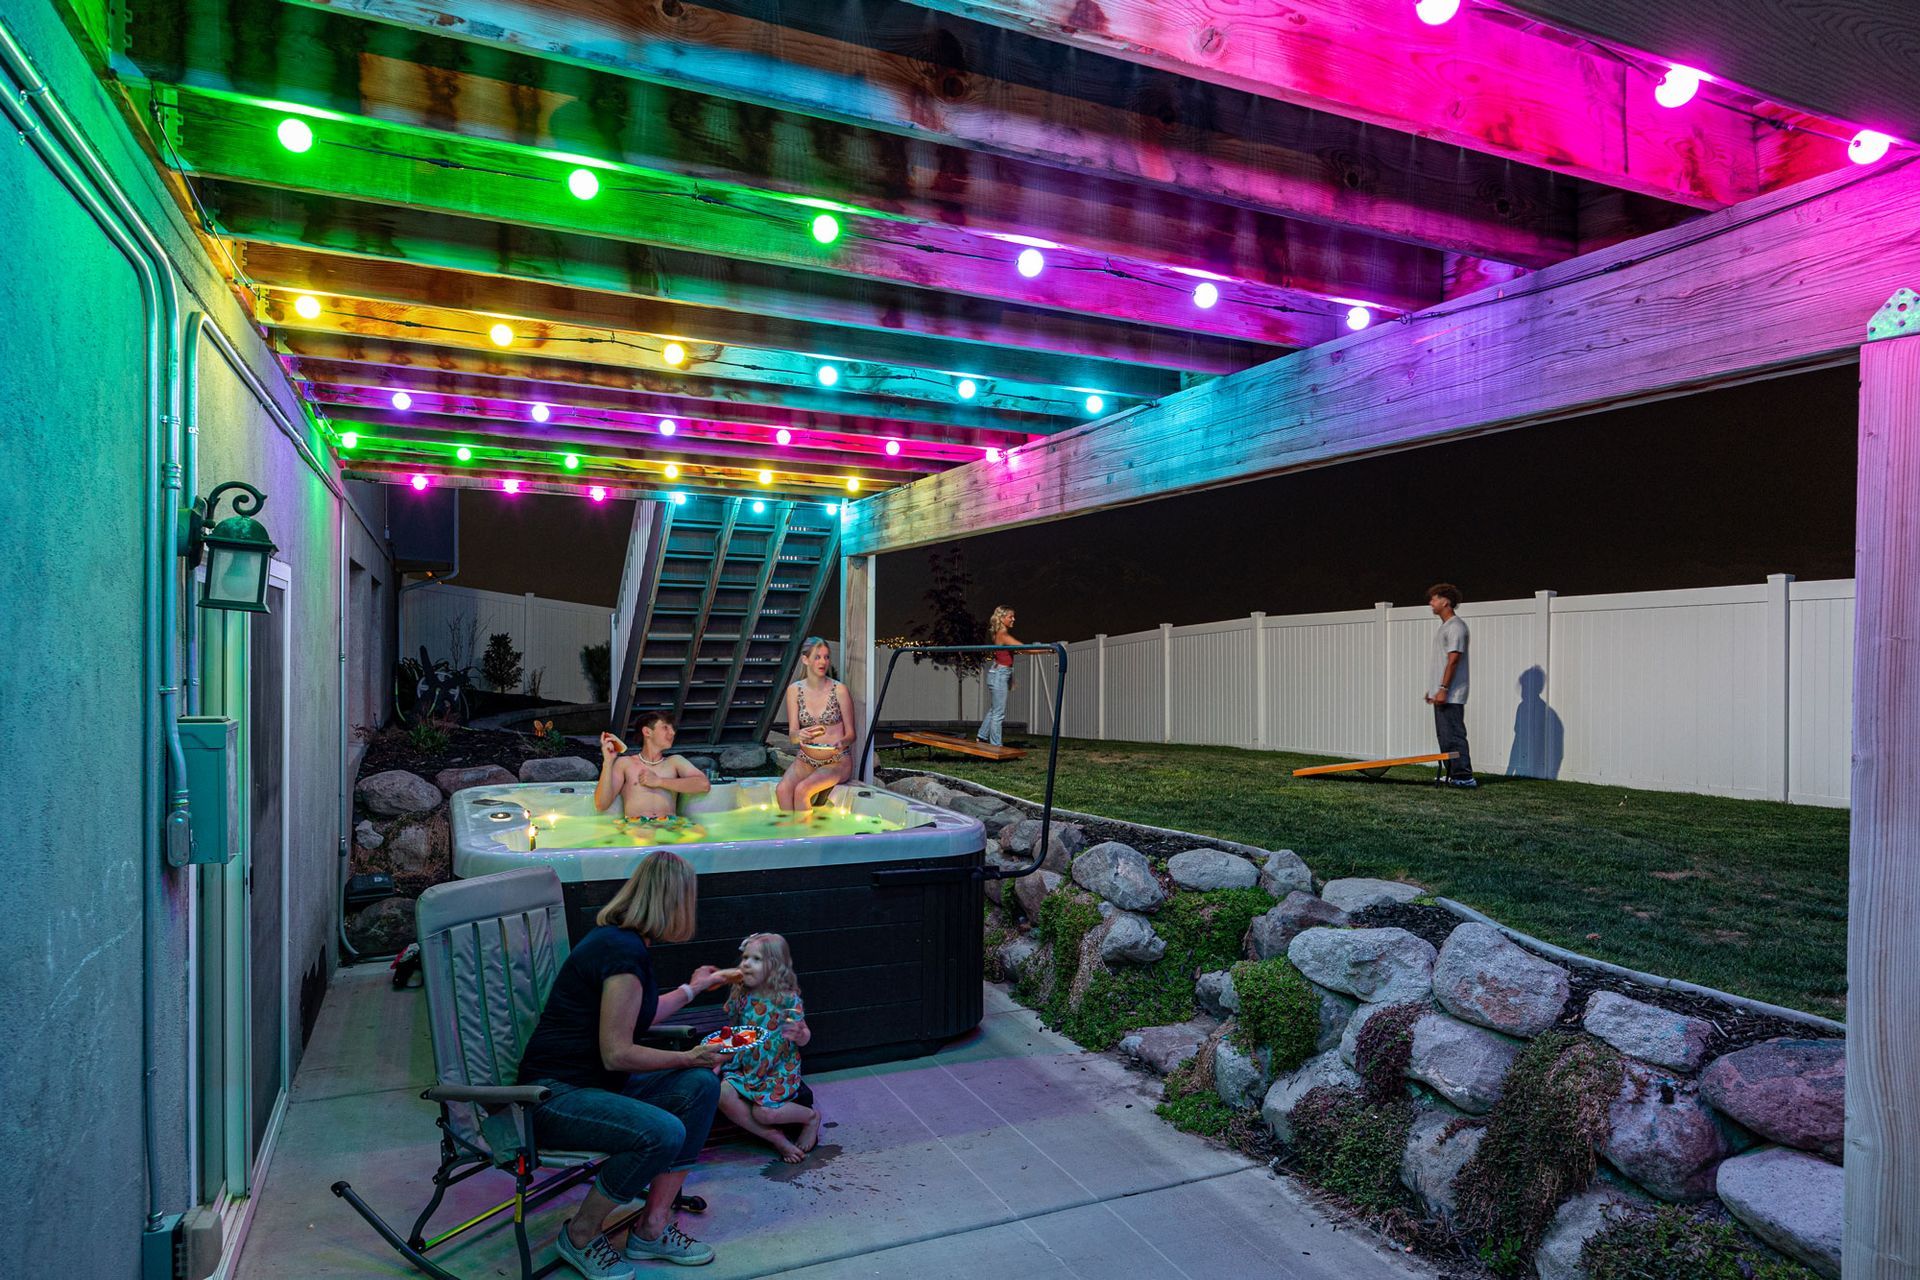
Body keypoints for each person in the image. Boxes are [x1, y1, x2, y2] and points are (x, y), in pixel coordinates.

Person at [516, 851, 729, 1275]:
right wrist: (688, 1056)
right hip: (552, 1096)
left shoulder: (623, 943)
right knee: (662, 1131)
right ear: (675, 902)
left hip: (594, 1087)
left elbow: (639, 1016)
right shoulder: (622, 953)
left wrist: (693, 988)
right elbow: (617, 1053)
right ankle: (579, 1234)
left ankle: (651, 1229)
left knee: (702, 1086)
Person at [714, 933, 820, 1163]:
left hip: (778, 1070)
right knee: (721, 1093)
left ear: (774, 966)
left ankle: (811, 1118)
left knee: (764, 1112)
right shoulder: (741, 995)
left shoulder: (787, 999)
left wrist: (801, 1035)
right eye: (745, 958)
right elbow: (733, 1031)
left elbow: (804, 1035)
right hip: (746, 1066)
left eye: (756, 959)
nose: (746, 964)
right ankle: (774, 1138)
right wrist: (719, 1058)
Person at [775, 638, 856, 814]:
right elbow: (793, 735)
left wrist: (842, 742)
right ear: (806, 660)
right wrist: (799, 735)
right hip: (806, 760)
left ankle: (806, 839)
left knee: (803, 790)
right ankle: (789, 836)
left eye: (826, 657)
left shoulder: (839, 690)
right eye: (817, 657)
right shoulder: (794, 690)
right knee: (782, 790)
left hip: (836, 760)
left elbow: (851, 734)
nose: (823, 662)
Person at [596, 712, 710, 822]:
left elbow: (704, 785)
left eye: (673, 729)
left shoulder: (675, 761)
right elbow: (602, 804)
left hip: (670, 826)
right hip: (636, 827)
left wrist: (659, 782)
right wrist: (608, 762)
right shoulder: (625, 763)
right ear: (647, 732)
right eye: (665, 727)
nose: (673, 733)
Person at [1424, 583, 1477, 789]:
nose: (1431, 603)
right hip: (1443, 692)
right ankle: (1453, 773)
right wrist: (1434, 690)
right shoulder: (1445, 627)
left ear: (1445, 601)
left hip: (1452, 693)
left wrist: (1444, 689)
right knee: (1445, 737)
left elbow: (1454, 659)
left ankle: (1464, 776)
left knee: (1454, 735)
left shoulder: (1456, 627)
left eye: (1434, 599)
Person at [975, 605, 1020, 748]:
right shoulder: (1003, 635)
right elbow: (1023, 647)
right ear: (1002, 618)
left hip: (999, 672)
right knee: (998, 713)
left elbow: (1005, 658)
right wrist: (1046, 649)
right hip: (999, 674)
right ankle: (995, 745)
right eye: (1010, 617)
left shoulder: (997, 633)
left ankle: (982, 736)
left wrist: (1010, 677)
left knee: (995, 709)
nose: (1013, 619)